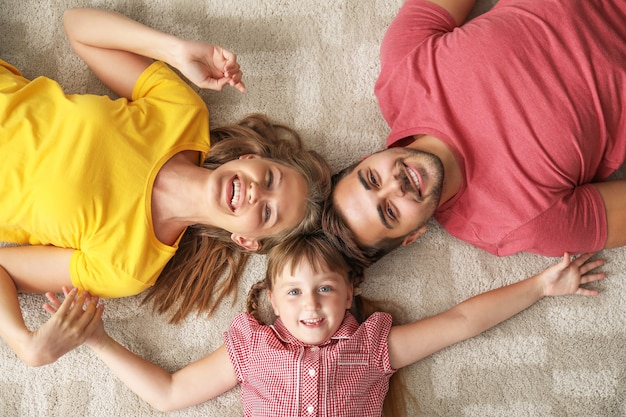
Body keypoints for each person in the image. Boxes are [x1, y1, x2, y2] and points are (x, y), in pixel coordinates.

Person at [0, 7, 331, 367]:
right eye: (269, 179)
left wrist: (24, 344)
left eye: (267, 212)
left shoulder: (129, 266)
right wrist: (173, 49)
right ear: (250, 160)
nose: (255, 192)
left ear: (246, 240)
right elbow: (77, 26)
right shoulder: (184, 113)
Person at [43, 233, 604, 416]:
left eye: (325, 288)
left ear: (349, 292)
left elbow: (460, 322)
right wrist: (97, 339)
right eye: (295, 292)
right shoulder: (254, 349)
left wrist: (539, 287)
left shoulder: (372, 347)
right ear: (273, 302)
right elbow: (168, 393)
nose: (310, 304)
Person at [324, 0, 626, 267]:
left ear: (368, 158)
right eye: (390, 211)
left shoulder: (402, 69)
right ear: (412, 236)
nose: (395, 186)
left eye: (373, 179)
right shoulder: (517, 224)